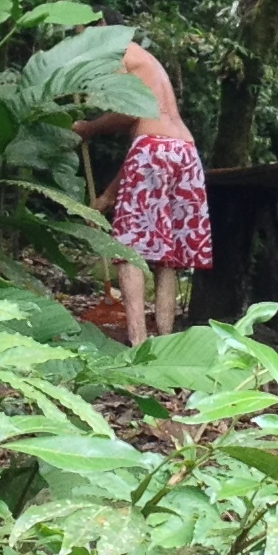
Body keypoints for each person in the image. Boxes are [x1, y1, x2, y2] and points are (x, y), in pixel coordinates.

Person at [76, 39, 210, 343]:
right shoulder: (146, 60)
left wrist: (90, 128)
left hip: (152, 150)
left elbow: (131, 114)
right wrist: (109, 195)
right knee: (169, 256)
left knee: (128, 249)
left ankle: (137, 341)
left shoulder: (118, 51)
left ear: (101, 29)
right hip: (185, 151)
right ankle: (165, 340)